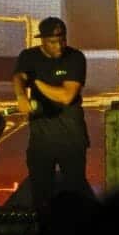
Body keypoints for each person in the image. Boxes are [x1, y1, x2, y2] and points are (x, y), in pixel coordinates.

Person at [13, 16, 93, 212]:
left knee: (75, 193)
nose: (59, 46)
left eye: (62, 40)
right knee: (41, 194)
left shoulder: (75, 57)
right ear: (42, 40)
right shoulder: (29, 56)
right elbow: (18, 76)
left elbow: (66, 96)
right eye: (53, 42)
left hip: (71, 137)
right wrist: (21, 95)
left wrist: (37, 81)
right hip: (41, 138)